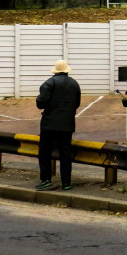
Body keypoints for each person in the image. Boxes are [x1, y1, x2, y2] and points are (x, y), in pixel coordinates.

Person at [35, 60, 81, 191]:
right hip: (67, 124)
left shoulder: (49, 83)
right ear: (67, 70)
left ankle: (46, 180)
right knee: (65, 153)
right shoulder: (74, 84)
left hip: (49, 124)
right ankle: (66, 182)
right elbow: (76, 104)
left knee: (45, 152)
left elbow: (41, 102)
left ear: (55, 70)